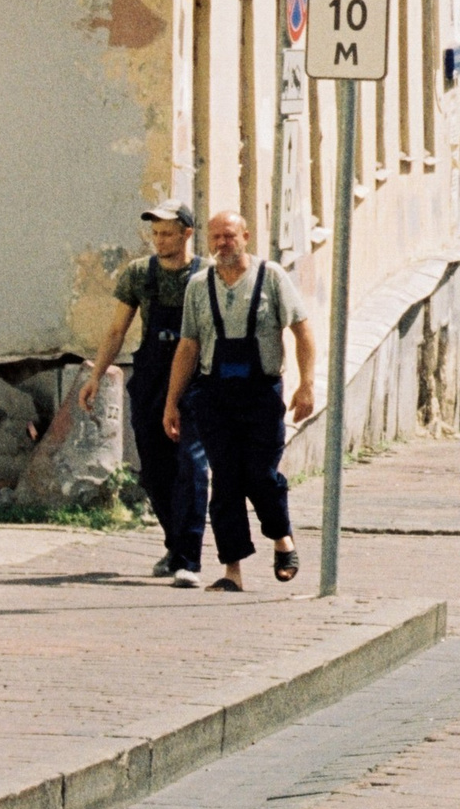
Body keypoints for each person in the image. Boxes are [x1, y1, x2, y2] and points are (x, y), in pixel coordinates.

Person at [164, 211, 317, 592]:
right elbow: (188, 346)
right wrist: (171, 402)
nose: (221, 244)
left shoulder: (272, 278)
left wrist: (306, 384)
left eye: (229, 236)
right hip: (214, 395)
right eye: (215, 237)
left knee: (260, 475)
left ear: (245, 236)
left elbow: (302, 331)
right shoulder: (199, 286)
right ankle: (232, 571)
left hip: (261, 393)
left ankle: (282, 539)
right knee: (226, 481)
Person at [77, 203, 207, 588]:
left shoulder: (205, 276)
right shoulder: (139, 275)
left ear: (186, 234)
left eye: (167, 233)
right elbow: (117, 329)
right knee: (153, 470)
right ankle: (175, 544)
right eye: (155, 234)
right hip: (151, 375)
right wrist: (95, 376)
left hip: (195, 379)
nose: (159, 241)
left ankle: (189, 560)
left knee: (192, 465)